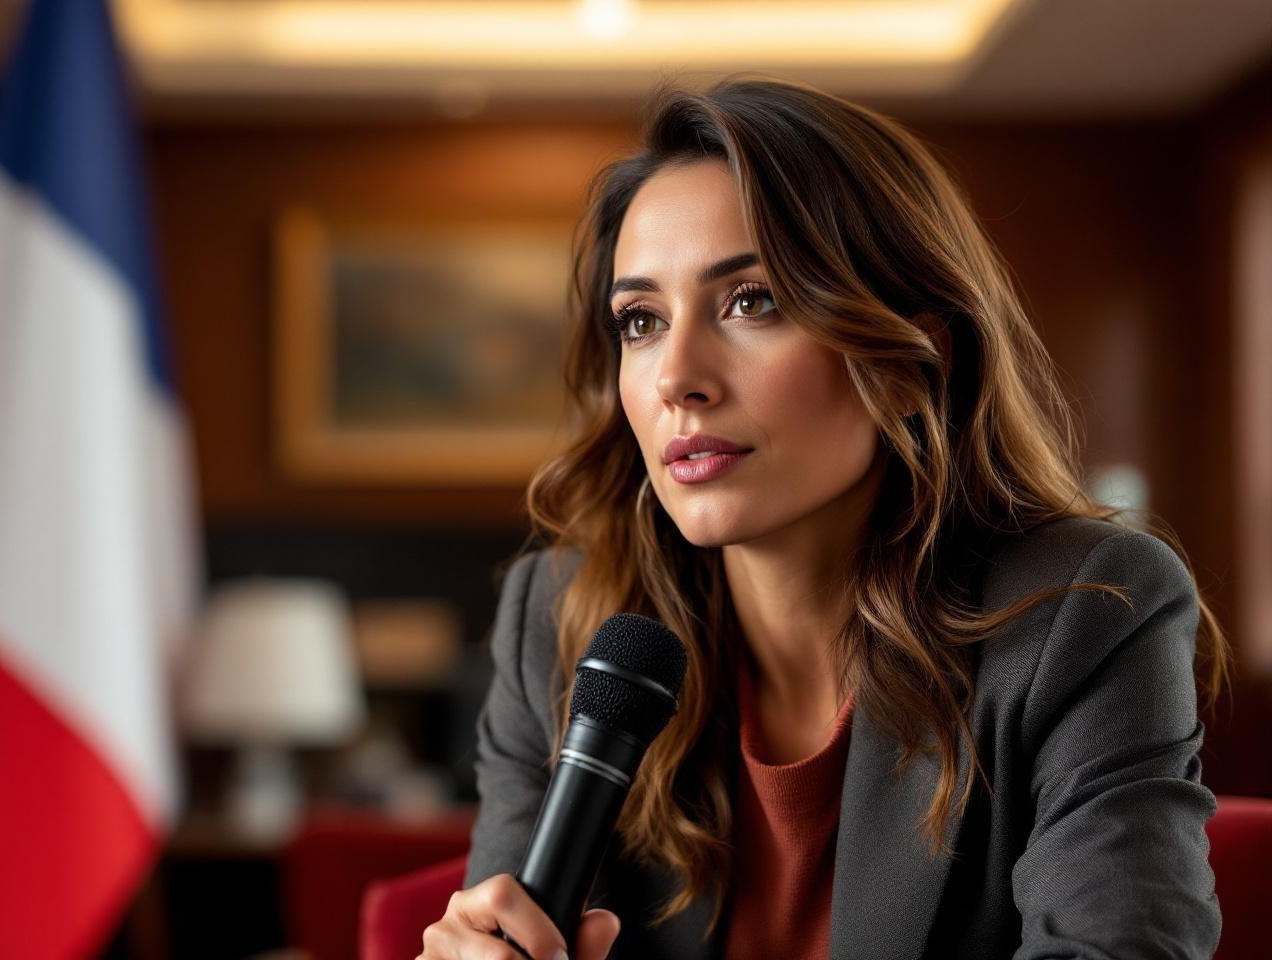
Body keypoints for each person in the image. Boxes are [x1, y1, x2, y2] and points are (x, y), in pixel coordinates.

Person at [417, 76, 1231, 960]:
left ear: (908, 362)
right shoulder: (562, 620)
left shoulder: (1083, 614)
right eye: (641, 320)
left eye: (751, 301)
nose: (674, 377)